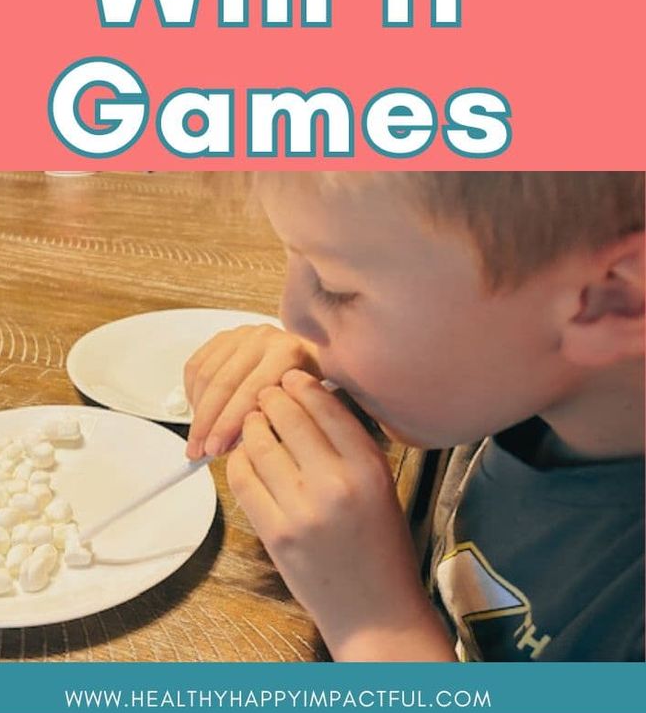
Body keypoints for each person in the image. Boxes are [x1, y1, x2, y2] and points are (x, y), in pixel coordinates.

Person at [183, 172, 645, 662]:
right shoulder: (516, 385)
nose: (289, 315)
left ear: (611, 298)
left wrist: (377, 627)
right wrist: (318, 355)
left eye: (335, 287)